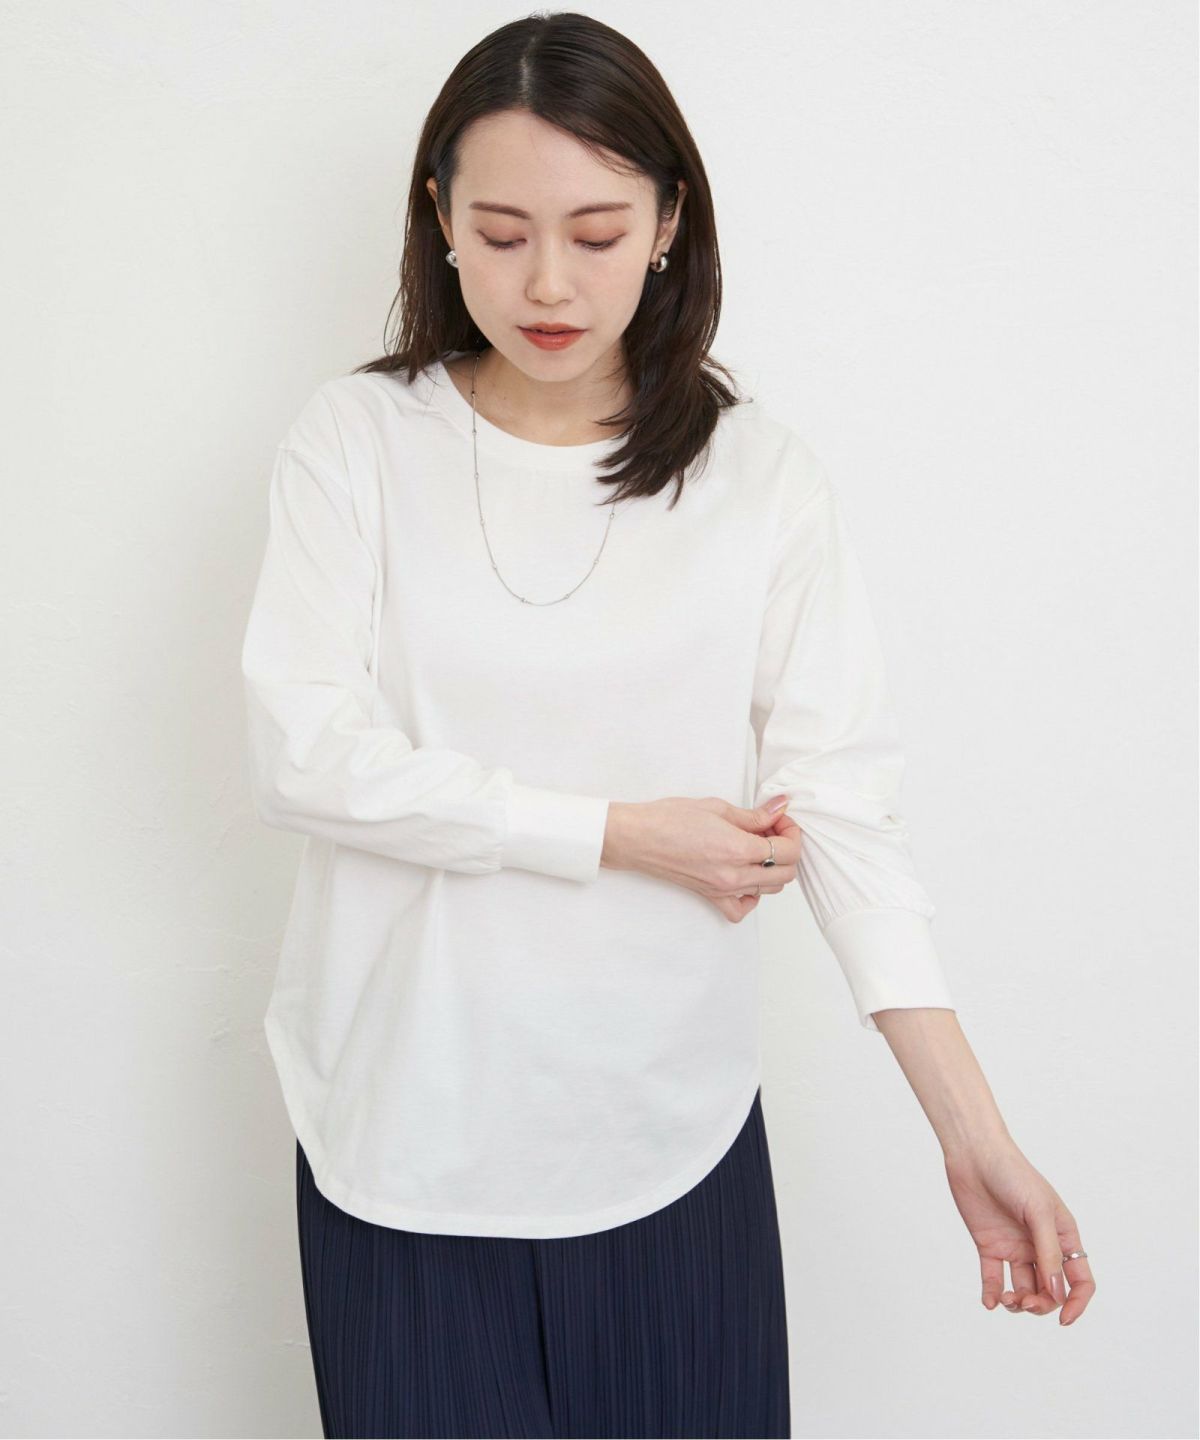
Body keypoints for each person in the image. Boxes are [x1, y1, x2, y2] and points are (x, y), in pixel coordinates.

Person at [240, 13, 1095, 1439]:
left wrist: (973, 1134)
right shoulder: (357, 443)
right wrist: (620, 835)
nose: (550, 282)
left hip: (668, 1143)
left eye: (597, 231)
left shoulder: (758, 476)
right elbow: (304, 758)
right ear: (439, 218)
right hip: (400, 1140)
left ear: (669, 223)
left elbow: (844, 812)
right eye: (502, 233)